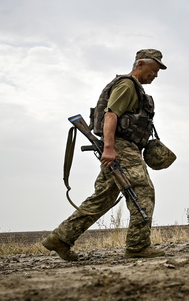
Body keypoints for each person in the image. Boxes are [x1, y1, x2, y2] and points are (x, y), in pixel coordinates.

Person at [42, 49, 168, 260]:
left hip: (122, 147)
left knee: (103, 198)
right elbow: (111, 115)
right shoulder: (127, 85)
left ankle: (60, 239)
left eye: (157, 72)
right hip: (121, 148)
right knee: (143, 192)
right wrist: (109, 147)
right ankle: (138, 246)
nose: (155, 75)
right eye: (153, 70)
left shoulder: (133, 87)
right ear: (140, 65)